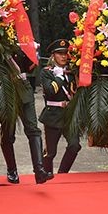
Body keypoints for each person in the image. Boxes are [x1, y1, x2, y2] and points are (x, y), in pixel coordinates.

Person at [0, 47, 55, 186]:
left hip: (24, 90)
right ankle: (12, 170)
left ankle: (39, 170)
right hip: (6, 90)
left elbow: (30, 68)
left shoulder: (24, 41)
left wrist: (32, 51)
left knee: (33, 129)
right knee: (8, 133)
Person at [39, 39, 81, 174]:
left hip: (69, 115)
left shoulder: (72, 72)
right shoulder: (47, 72)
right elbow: (50, 91)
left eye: (65, 54)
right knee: (50, 153)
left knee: (75, 146)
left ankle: (63, 174)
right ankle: (46, 175)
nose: (63, 57)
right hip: (53, 115)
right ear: (53, 56)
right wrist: (58, 77)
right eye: (60, 54)